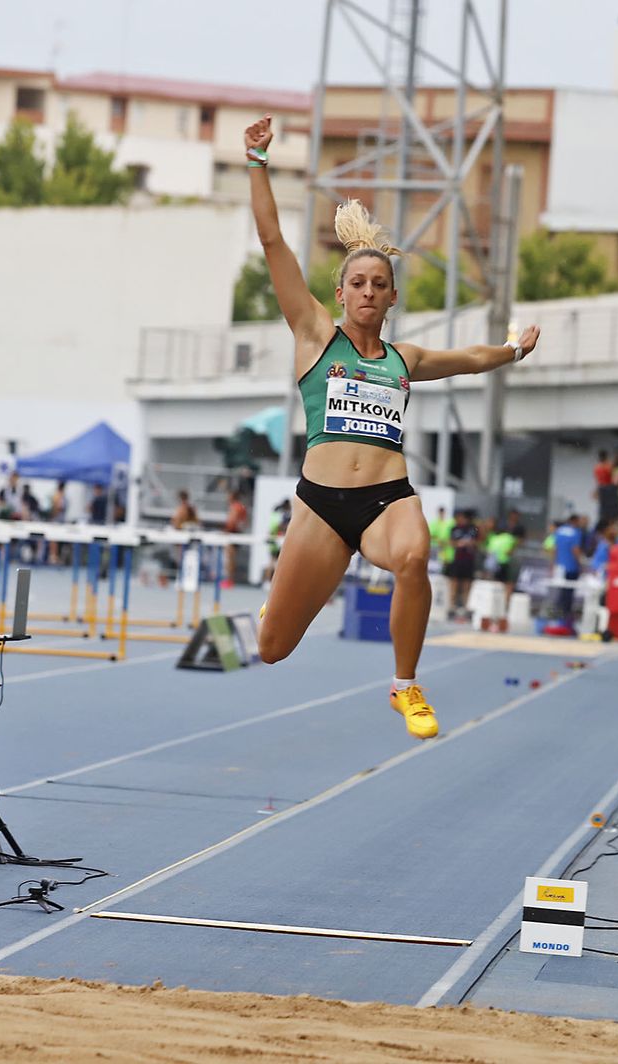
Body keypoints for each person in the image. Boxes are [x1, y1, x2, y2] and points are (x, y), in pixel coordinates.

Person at [244, 113, 540, 740]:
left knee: (413, 557)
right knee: (271, 647)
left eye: (381, 284)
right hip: (321, 506)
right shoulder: (313, 336)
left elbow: (468, 359)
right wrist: (258, 164)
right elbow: (273, 243)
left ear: (393, 296)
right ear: (342, 291)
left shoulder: (405, 360)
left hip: (386, 497)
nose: (369, 292)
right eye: (358, 283)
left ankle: (405, 686)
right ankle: (278, 605)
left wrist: (512, 350)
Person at [548, 514, 586, 626]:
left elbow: (554, 549)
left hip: (560, 567)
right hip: (571, 567)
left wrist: (553, 564)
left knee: (558, 593)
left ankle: (554, 617)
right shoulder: (575, 532)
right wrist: (580, 564)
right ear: (574, 521)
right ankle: (565, 619)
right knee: (568, 594)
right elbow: (575, 549)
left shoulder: (559, 531)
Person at [447, 509, 480, 621]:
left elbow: (478, 541)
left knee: (467, 583)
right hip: (457, 559)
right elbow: (450, 542)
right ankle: (452, 606)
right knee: (454, 582)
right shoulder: (455, 528)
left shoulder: (473, 529)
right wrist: (458, 544)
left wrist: (470, 543)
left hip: (469, 560)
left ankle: (466, 606)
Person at [222, 489, 250, 588]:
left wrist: (226, 531)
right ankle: (230, 579)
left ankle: (229, 579)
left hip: (232, 534)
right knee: (231, 558)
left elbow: (232, 522)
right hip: (237, 533)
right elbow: (245, 523)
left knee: (229, 558)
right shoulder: (241, 507)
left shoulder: (235, 507)